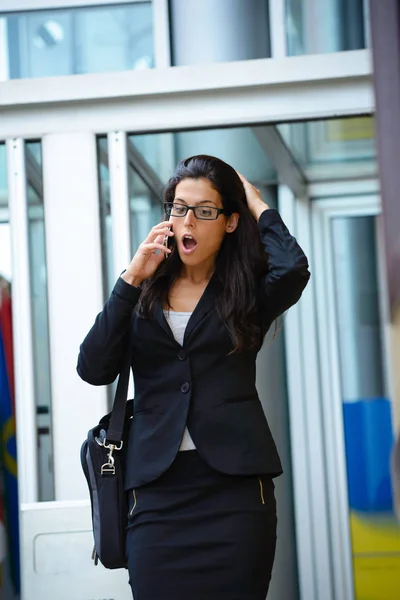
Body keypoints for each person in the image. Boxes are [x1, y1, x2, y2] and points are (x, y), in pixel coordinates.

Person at [77, 155, 310, 600]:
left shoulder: (245, 293)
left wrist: (260, 206)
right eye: (179, 208)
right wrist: (129, 279)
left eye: (205, 211)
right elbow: (92, 367)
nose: (189, 220)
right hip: (157, 498)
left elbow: (293, 269)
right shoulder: (141, 292)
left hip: (236, 496)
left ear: (229, 222)